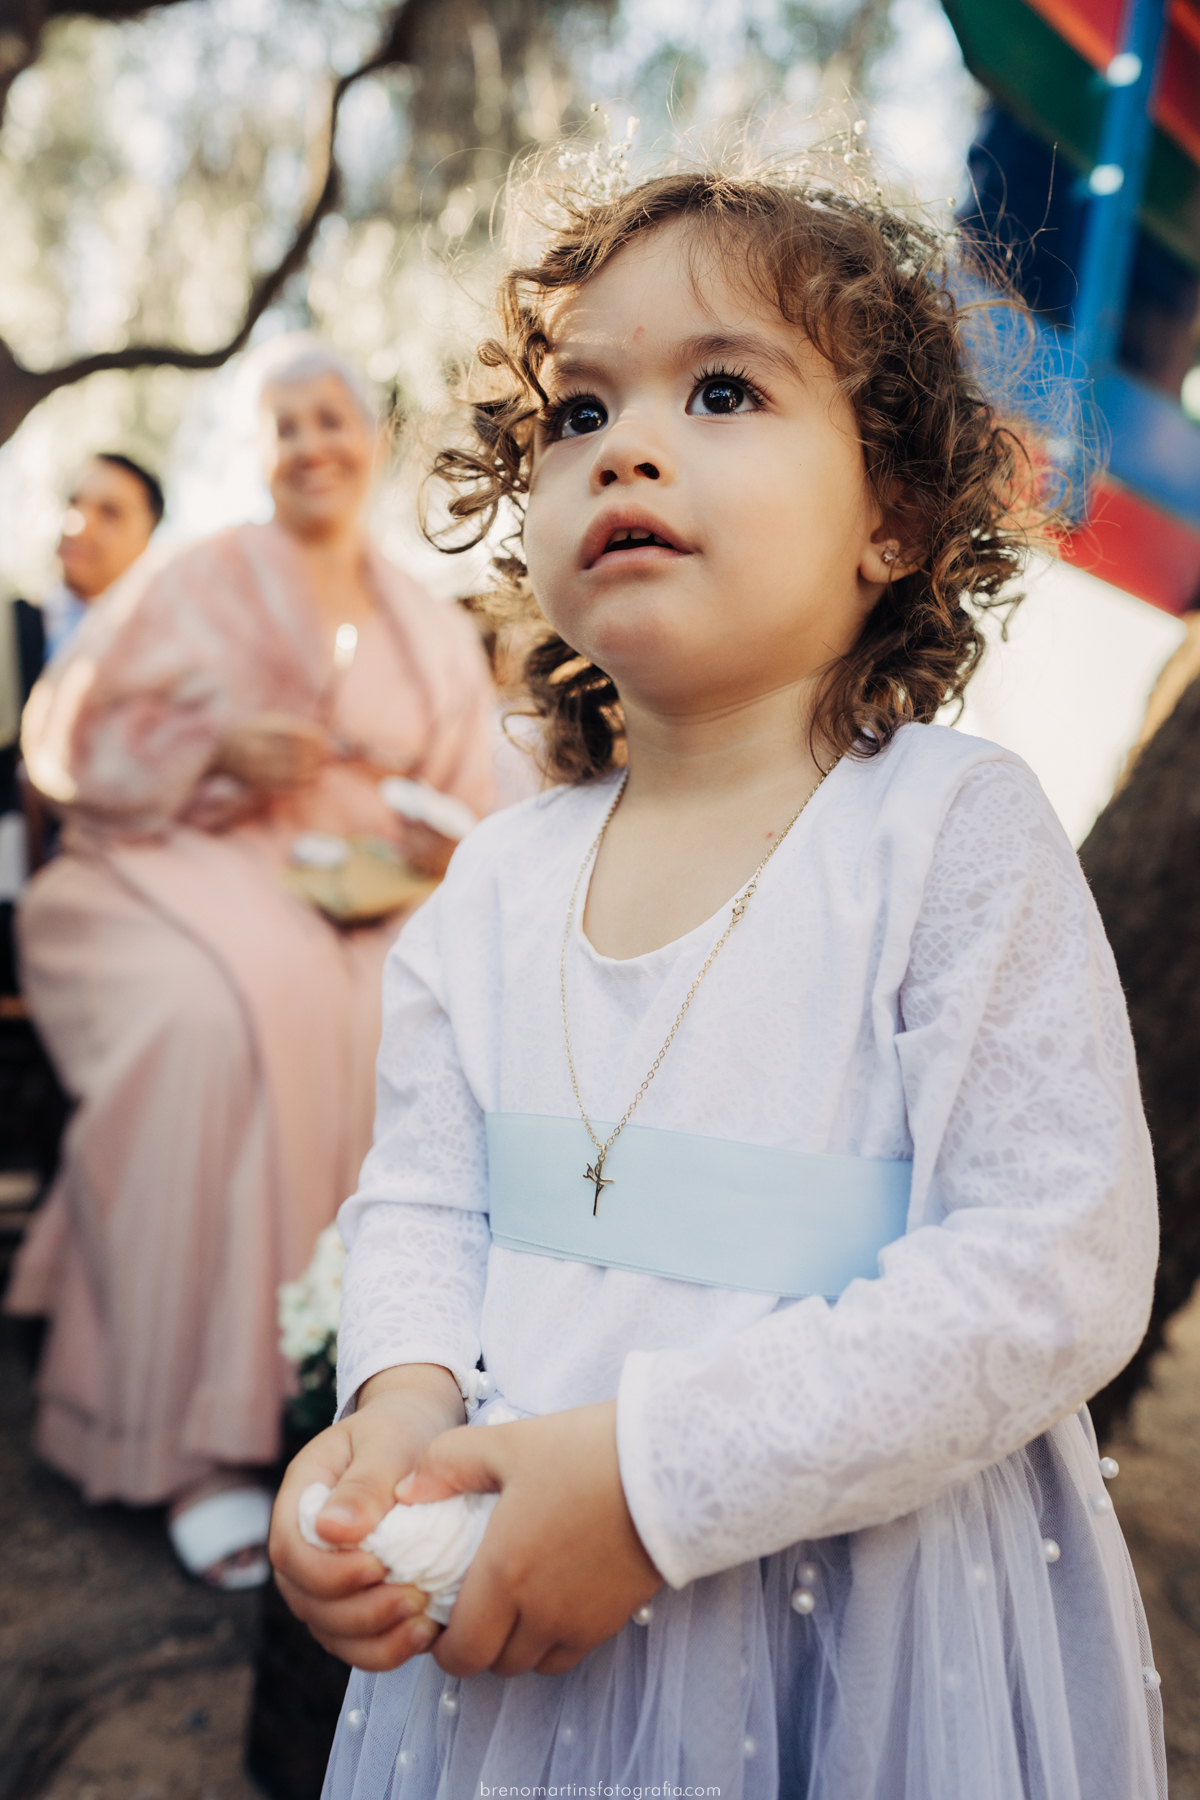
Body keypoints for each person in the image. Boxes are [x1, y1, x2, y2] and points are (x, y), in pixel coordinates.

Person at [270, 170, 1165, 1799]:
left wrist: (644, 1484)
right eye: (578, 409)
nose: (624, 442)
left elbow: (1054, 1260)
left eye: (725, 389)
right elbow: (421, 1204)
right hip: (515, 1612)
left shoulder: (948, 834)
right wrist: (389, 1419)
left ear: (892, 511)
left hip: (861, 1619)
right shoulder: (492, 883)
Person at [5, 340, 496, 1588]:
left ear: (373, 437)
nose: (312, 446)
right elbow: (73, 736)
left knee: (412, 1017)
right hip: (162, 863)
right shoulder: (190, 581)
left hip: (347, 902)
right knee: (221, 1020)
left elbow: (472, 798)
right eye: (285, 427)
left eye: (331, 419)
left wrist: (418, 839)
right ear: (259, 450)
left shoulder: (426, 626)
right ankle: (191, 1440)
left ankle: (352, 1409)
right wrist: (215, 752)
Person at [42, 452, 165, 659]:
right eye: (74, 503)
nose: (76, 527)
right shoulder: (9, 628)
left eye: (110, 513)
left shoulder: (160, 654)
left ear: (146, 542)